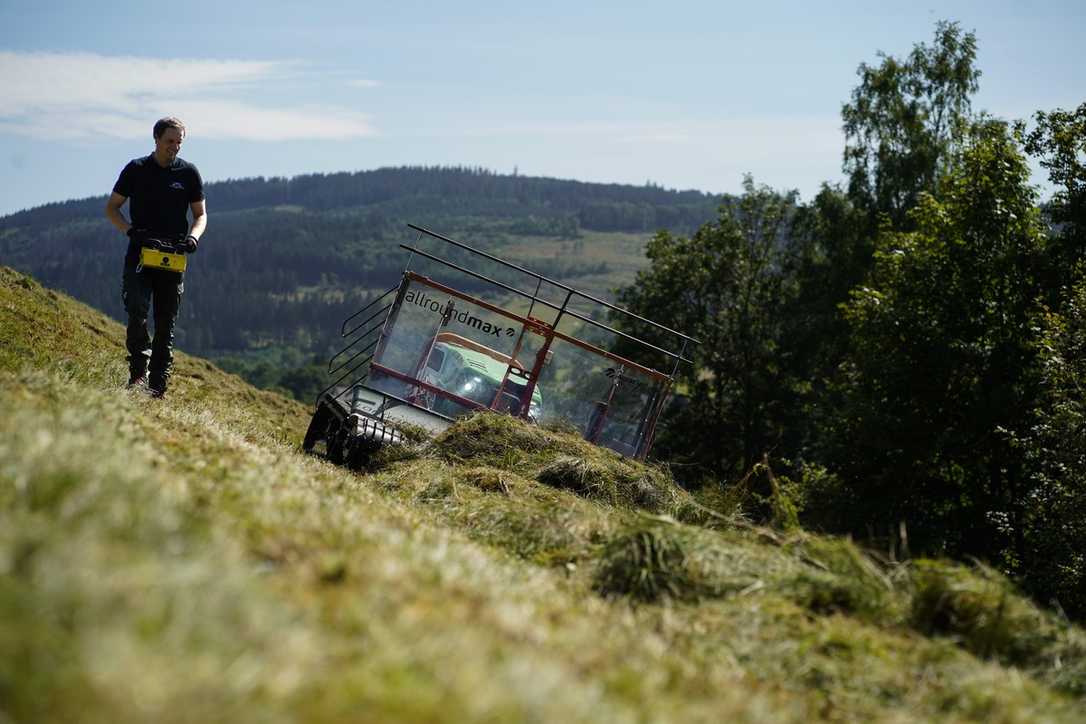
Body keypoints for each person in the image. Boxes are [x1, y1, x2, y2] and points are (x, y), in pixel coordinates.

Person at [105, 117, 207, 398]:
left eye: (179, 142)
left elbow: (200, 214)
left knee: (166, 321)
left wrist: (193, 237)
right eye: (169, 141)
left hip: (173, 255)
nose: (174, 147)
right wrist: (130, 231)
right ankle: (138, 375)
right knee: (137, 312)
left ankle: (158, 384)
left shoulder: (188, 173)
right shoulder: (136, 169)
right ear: (156, 140)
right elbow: (112, 208)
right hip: (140, 252)